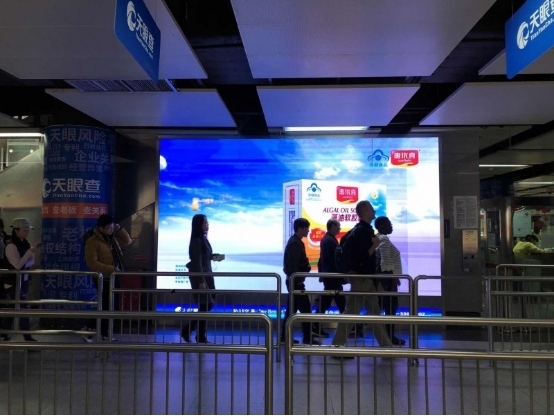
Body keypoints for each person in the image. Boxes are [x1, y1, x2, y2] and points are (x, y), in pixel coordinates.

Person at [331, 201, 392, 354]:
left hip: (366, 278)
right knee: (351, 312)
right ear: (365, 211)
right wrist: (375, 245)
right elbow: (363, 257)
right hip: (362, 279)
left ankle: (387, 346)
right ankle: (337, 346)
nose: (374, 211)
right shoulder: (362, 231)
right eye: (371, 209)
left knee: (374, 313)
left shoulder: (360, 230)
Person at [84, 214, 132, 342]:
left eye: (112, 226)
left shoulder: (112, 239)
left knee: (110, 305)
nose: (111, 229)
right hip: (102, 277)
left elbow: (128, 241)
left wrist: (119, 229)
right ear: (101, 228)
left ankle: (104, 333)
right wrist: (111, 269)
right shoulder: (93, 241)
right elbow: (92, 263)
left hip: (114, 276)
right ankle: (90, 329)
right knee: (105, 305)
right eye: (108, 227)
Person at [182, 214, 224, 343]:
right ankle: (191, 331)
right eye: (205, 222)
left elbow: (204, 256)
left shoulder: (203, 239)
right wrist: (201, 281)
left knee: (205, 305)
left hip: (207, 276)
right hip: (201, 277)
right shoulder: (196, 241)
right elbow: (197, 262)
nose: (207, 224)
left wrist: (215, 257)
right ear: (199, 225)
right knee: (206, 304)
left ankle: (197, 334)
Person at [0, 218, 39, 341]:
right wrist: (28, 253)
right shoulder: (11, 246)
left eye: (28, 230)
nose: (27, 233)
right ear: (16, 230)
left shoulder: (25, 243)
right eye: (24, 230)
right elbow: (17, 265)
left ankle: (3, 333)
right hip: (13, 282)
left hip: (23, 280)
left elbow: (29, 263)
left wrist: (30, 254)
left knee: (13, 307)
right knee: (23, 308)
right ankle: (28, 338)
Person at [281, 217, 316, 345]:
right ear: (300, 228)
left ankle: (285, 336)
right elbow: (293, 265)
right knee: (305, 310)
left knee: (291, 311)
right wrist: (302, 272)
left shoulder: (295, 241)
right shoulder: (295, 243)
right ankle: (307, 338)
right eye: (307, 228)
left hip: (294, 282)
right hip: (296, 283)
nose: (308, 231)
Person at [375, 216, 405, 346]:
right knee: (390, 308)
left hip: (384, 278)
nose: (391, 226)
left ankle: (388, 336)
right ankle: (389, 337)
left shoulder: (379, 238)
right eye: (389, 224)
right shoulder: (384, 239)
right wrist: (393, 279)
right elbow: (385, 261)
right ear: (381, 226)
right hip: (387, 279)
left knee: (381, 306)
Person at [313, 219, 346, 338]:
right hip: (332, 276)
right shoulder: (329, 240)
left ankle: (315, 325)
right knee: (336, 302)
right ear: (332, 226)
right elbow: (332, 260)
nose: (340, 228)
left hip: (331, 276)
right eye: (338, 226)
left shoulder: (329, 239)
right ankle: (349, 326)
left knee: (331, 302)